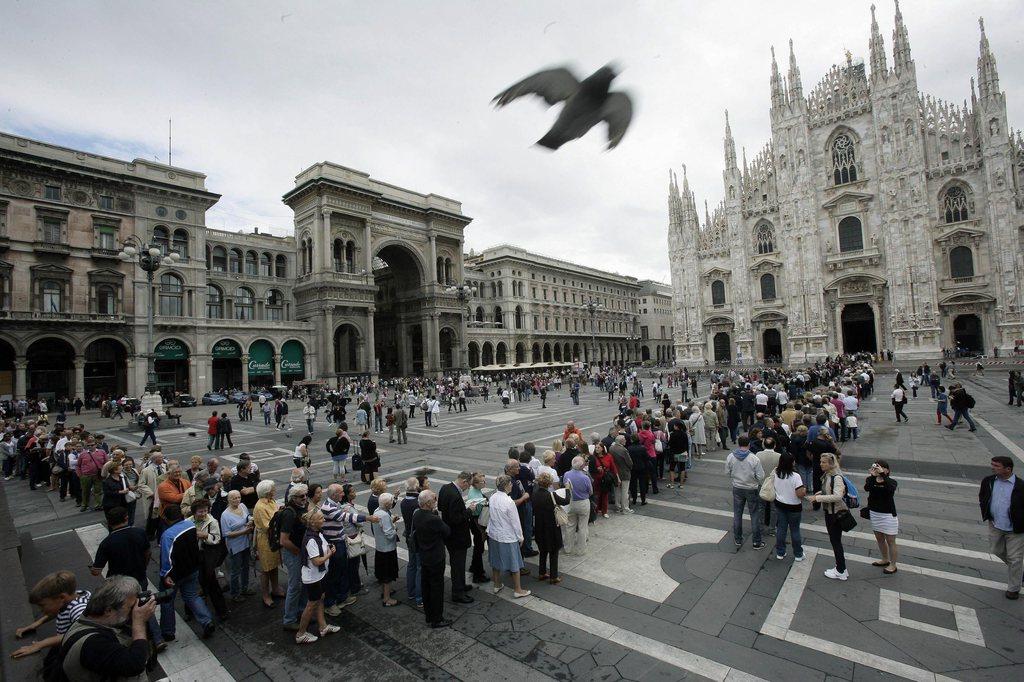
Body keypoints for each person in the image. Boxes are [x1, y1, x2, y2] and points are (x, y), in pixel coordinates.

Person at [57, 576, 156, 680]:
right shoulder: (93, 643)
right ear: (109, 610)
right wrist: (139, 622)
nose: (134, 611)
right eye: (131, 607)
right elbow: (134, 665)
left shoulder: (88, 620)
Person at [90, 507, 159, 650]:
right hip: (139, 577)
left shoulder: (107, 543)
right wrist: (143, 567)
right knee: (144, 605)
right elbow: (147, 553)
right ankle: (157, 639)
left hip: (119, 584)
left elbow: (96, 571)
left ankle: (129, 640)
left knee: (122, 612)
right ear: (126, 518)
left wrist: (91, 568)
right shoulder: (139, 533)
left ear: (109, 522)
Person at [158, 505, 216, 639]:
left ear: (167, 518)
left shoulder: (168, 535)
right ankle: (207, 621)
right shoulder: (190, 525)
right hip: (192, 568)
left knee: (167, 601)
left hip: (175, 574)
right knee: (192, 596)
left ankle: (168, 632)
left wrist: (165, 574)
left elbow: (166, 557)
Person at [11, 571, 90, 660]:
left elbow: (77, 633)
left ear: (62, 597)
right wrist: (37, 623)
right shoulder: (72, 597)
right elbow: (59, 610)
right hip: (64, 641)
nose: (41, 610)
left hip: (73, 651)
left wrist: (40, 644)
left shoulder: (79, 609)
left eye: (42, 605)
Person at [979, 456, 1024, 599]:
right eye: (992, 464)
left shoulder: (1020, 486)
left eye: (996, 466)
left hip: (1015, 528)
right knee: (996, 550)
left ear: (1008, 469)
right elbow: (983, 497)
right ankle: (1018, 572)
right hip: (996, 524)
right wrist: (987, 512)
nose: (993, 467)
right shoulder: (989, 481)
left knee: (1015, 558)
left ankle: (1013, 589)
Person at [295, 509, 341, 644]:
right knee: (311, 605)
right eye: (321, 518)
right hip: (313, 577)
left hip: (319, 574)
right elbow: (317, 561)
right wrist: (329, 554)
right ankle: (301, 633)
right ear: (313, 523)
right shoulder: (311, 540)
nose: (324, 520)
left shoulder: (317, 534)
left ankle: (323, 627)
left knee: (320, 598)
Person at [411, 489, 452, 628]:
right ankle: (437, 618)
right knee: (436, 588)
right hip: (435, 557)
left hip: (424, 555)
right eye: (434, 499)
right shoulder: (433, 518)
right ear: (428, 503)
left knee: (426, 586)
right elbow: (447, 531)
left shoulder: (417, 515)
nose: (436, 501)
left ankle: (429, 615)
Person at [487, 475, 532, 598]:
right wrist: (521, 537)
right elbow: (515, 522)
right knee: (514, 563)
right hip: (507, 536)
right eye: (511, 484)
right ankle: (517, 589)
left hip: (493, 534)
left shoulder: (493, 497)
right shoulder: (509, 502)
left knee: (495, 560)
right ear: (507, 486)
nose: (512, 485)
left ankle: (497, 584)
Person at [807, 452, 849, 581]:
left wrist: (818, 498)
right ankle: (841, 568)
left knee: (835, 541)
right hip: (830, 512)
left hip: (835, 514)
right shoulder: (828, 475)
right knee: (835, 540)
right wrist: (820, 493)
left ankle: (841, 570)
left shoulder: (836, 477)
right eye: (820, 462)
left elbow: (837, 496)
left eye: (824, 462)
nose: (821, 464)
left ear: (831, 463)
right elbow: (829, 490)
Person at [438, 472, 474, 604]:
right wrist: (468, 511)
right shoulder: (455, 495)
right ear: (464, 481)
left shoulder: (445, 488)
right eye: (468, 485)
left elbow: (441, 507)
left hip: (449, 535)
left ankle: (461, 585)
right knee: (458, 564)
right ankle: (458, 593)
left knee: (457, 563)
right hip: (457, 536)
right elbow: (456, 519)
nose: (468, 488)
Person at [279, 484, 310, 630]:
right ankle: (289, 619)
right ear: (293, 498)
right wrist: (298, 551)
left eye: (306, 495)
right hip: (293, 553)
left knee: (304, 583)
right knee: (294, 586)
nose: (305, 498)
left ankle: (302, 613)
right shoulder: (289, 513)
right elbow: (283, 540)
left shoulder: (302, 507)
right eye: (301, 496)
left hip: (301, 552)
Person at [727, 435, 765, 549]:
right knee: (754, 514)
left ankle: (738, 538)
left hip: (737, 487)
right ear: (748, 445)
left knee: (737, 513)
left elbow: (727, 472)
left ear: (738, 444)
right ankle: (756, 542)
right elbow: (761, 476)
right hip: (751, 488)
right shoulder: (754, 458)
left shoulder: (731, 457)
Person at [532, 471, 569, 584]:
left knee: (543, 551)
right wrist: (567, 489)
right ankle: (554, 576)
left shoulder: (535, 494)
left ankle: (542, 573)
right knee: (554, 552)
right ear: (549, 483)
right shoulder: (551, 495)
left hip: (539, 527)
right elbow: (566, 501)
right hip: (551, 527)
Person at [253, 480, 284, 608]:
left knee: (274, 565)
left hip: (273, 537)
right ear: (267, 492)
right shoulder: (260, 506)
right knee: (266, 569)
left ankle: (275, 588)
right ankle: (265, 595)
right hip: (266, 539)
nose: (275, 490)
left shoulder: (271, 501)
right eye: (273, 489)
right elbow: (267, 526)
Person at [865, 460, 899, 575]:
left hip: (888, 515)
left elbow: (890, 488)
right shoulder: (871, 480)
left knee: (890, 540)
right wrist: (872, 476)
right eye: (875, 467)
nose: (877, 469)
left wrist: (883, 475)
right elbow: (867, 488)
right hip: (875, 514)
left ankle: (893, 564)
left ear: (887, 470)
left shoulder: (891, 481)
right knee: (879, 538)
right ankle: (885, 559)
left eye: (881, 467)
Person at [220, 490, 254, 602]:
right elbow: (226, 534)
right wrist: (243, 532)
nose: (237, 500)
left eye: (239, 497)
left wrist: (249, 521)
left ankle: (245, 588)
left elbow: (247, 516)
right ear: (228, 500)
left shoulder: (242, 506)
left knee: (246, 566)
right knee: (235, 570)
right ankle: (235, 593)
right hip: (235, 546)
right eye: (234, 498)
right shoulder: (225, 515)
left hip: (245, 543)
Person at [772, 452, 806, 561]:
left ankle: (780, 552)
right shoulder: (796, 476)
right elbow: (800, 494)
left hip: (780, 504)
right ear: (791, 463)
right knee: (795, 530)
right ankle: (798, 554)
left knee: (781, 529)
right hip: (794, 507)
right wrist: (804, 491)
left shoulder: (776, 472)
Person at [371, 493, 401, 606]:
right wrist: (395, 528)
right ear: (387, 504)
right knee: (388, 574)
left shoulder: (377, 511)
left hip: (380, 547)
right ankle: (387, 599)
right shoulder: (384, 515)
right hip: (387, 548)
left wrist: (391, 521)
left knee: (383, 573)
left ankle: (385, 592)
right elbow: (389, 534)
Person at [400, 478, 424, 606]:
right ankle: (419, 598)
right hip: (417, 538)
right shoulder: (417, 502)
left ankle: (411, 592)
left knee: (412, 565)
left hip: (408, 536)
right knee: (420, 567)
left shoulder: (403, 502)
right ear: (416, 487)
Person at [562, 456, 593, 555]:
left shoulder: (566, 474)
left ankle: (568, 548)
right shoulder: (585, 477)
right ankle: (581, 550)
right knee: (582, 527)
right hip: (583, 502)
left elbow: (564, 486)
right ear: (581, 466)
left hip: (571, 501)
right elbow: (590, 491)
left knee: (570, 526)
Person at [466, 473, 490, 584]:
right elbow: (476, 511)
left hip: (476, 522)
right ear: (476, 483)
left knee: (478, 546)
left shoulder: (474, 490)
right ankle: (478, 574)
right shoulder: (475, 495)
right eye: (483, 482)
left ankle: (473, 566)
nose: (485, 483)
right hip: (478, 523)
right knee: (479, 547)